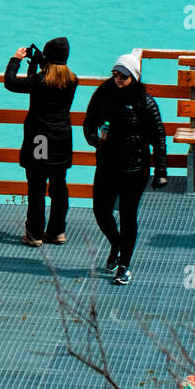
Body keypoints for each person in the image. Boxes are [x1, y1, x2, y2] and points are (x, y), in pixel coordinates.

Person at [82, 53, 169, 286]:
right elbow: (89, 120)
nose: (118, 78)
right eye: (115, 74)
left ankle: (124, 265)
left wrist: (161, 171)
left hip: (135, 167)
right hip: (107, 163)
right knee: (101, 211)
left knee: (128, 216)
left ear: (134, 77)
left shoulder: (145, 101)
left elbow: (158, 136)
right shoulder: (103, 93)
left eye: (123, 75)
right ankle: (117, 244)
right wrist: (93, 138)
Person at [3, 38, 78, 246]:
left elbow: (11, 83)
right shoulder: (73, 80)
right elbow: (36, 83)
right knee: (59, 185)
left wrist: (15, 60)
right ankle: (57, 231)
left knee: (36, 186)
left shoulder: (39, 80)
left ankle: (34, 233)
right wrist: (36, 64)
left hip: (40, 140)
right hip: (62, 138)